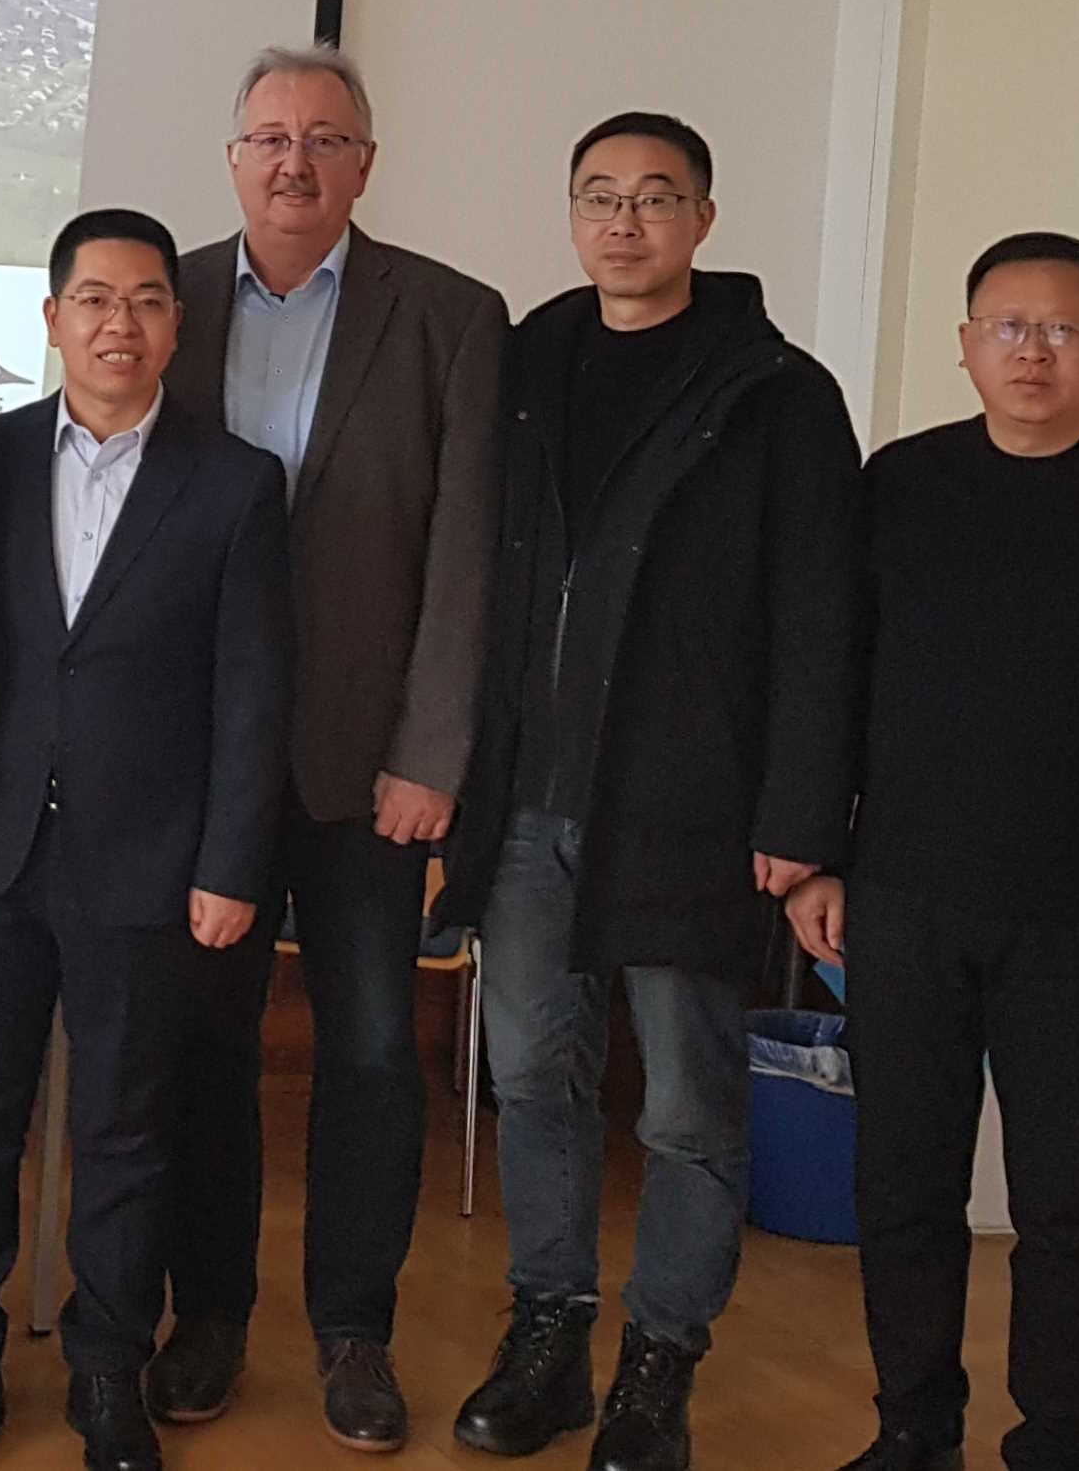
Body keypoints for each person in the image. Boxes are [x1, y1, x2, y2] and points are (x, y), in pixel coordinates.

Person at [786, 232, 1079, 1471]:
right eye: (1006, 324)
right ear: (963, 345)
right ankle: (910, 1430)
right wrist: (815, 856)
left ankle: (1057, 1443)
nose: (1033, 348)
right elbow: (830, 680)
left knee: (1068, 1209)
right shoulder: (895, 483)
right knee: (899, 1189)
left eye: (1063, 328)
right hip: (898, 900)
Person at [434, 112, 861, 1471]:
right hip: (525, 803)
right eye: (599, 197)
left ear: (705, 220)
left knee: (684, 1107)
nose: (624, 222)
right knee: (533, 1080)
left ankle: (660, 1363)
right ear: (570, 213)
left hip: (690, 810)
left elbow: (819, 620)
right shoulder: (524, 362)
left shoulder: (776, 392)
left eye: (655, 199)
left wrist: (798, 817)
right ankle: (549, 1335)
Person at [151, 44, 507, 1450]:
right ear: (231, 156)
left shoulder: (449, 317)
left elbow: (465, 557)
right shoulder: (157, 298)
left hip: (371, 778)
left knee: (367, 1054)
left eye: (324, 139)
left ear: (366, 161)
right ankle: (211, 1318)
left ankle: (354, 1330)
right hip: (192, 770)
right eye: (268, 137)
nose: (293, 161)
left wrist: (433, 752)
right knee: (203, 1055)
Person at [0, 209, 292, 1471]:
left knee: (128, 1127)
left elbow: (250, 691)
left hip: (149, 865)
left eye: (142, 300)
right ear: (52, 317)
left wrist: (232, 861)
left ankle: (108, 1367)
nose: (116, 322)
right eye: (91, 298)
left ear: (175, 324)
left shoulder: (233, 482)